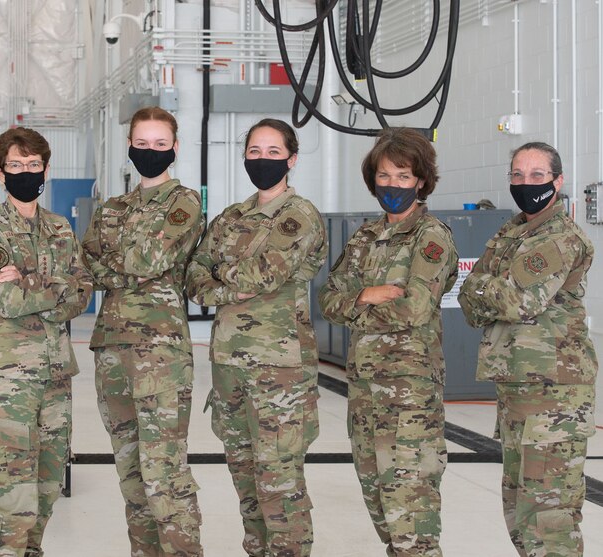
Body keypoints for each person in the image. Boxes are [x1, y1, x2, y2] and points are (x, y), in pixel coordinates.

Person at [185, 118, 327, 557]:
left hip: (279, 369)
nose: (262, 160)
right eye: (254, 152)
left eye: (272, 152)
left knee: (279, 481)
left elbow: (264, 274)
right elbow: (193, 276)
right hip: (229, 365)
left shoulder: (298, 216)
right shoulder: (232, 217)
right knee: (245, 478)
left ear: (292, 158)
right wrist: (228, 282)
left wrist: (220, 278)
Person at [317, 127, 458, 556]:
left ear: (420, 180)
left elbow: (415, 309)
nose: (392, 185)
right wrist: (366, 295)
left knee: (411, 518)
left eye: (402, 175)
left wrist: (353, 305)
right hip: (365, 394)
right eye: (384, 175)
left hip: (409, 397)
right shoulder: (364, 237)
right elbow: (327, 300)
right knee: (380, 505)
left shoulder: (430, 237)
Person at [0, 127, 92, 557]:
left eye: (33, 166)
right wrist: (55, 287)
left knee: (47, 488)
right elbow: (7, 300)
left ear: (46, 171)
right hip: (8, 379)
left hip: (55, 374)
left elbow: (84, 293)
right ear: (0, 173)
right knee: (12, 497)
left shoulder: (60, 228)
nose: (25, 172)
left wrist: (31, 282)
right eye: (16, 166)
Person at [458, 142, 597, 557]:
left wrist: (483, 289)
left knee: (548, 515)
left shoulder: (560, 237)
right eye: (517, 175)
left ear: (558, 181)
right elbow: (469, 298)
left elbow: (518, 300)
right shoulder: (514, 230)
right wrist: (484, 290)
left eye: (537, 175)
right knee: (520, 508)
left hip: (553, 395)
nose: (525, 183)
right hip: (519, 388)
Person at [81, 107, 204, 557]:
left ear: (174, 147)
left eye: (159, 143)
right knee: (131, 473)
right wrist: (122, 263)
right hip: (111, 346)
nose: (149, 151)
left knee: (164, 471)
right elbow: (87, 264)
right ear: (129, 145)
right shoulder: (112, 207)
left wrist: (117, 260)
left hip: (160, 351)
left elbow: (145, 261)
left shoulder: (183, 202)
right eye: (141, 143)